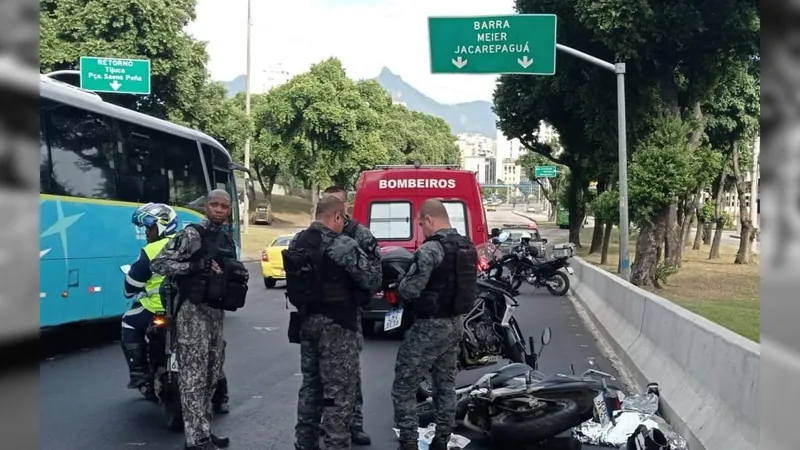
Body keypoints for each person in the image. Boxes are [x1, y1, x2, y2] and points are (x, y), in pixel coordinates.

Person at [151, 189, 247, 450]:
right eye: (214, 205)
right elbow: (159, 264)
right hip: (191, 313)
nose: (219, 210)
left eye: (224, 206)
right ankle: (196, 439)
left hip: (215, 312)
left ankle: (203, 430)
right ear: (206, 206)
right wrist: (192, 267)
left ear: (229, 210)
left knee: (211, 375)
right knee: (193, 377)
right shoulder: (192, 234)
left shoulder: (227, 240)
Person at [284, 196, 382, 450]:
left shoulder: (298, 241)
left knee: (310, 386)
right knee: (339, 391)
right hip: (338, 326)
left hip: (307, 322)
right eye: (343, 217)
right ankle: (337, 443)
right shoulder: (343, 245)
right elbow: (371, 279)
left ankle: (305, 442)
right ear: (337, 216)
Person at [391, 199, 478, 450]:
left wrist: (400, 283)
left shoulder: (431, 250)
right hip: (455, 324)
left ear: (430, 219)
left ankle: (408, 441)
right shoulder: (467, 246)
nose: (421, 229)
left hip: (428, 328)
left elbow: (410, 290)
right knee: (445, 385)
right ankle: (442, 439)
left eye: (421, 224)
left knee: (404, 385)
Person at [320, 185, 379, 446]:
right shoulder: (317, 235)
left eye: (341, 204)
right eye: (332, 203)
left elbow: (375, 274)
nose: (338, 210)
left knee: (350, 373)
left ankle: (354, 423)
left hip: (348, 313)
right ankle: (328, 422)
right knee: (320, 374)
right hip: (320, 315)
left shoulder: (359, 235)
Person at [121, 203, 180, 399]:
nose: (147, 232)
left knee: (128, 322)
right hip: (186, 308)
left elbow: (132, 284)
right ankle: (220, 390)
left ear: (163, 226)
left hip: (157, 309)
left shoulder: (152, 250)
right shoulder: (185, 243)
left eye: (150, 227)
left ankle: (139, 374)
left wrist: (129, 289)